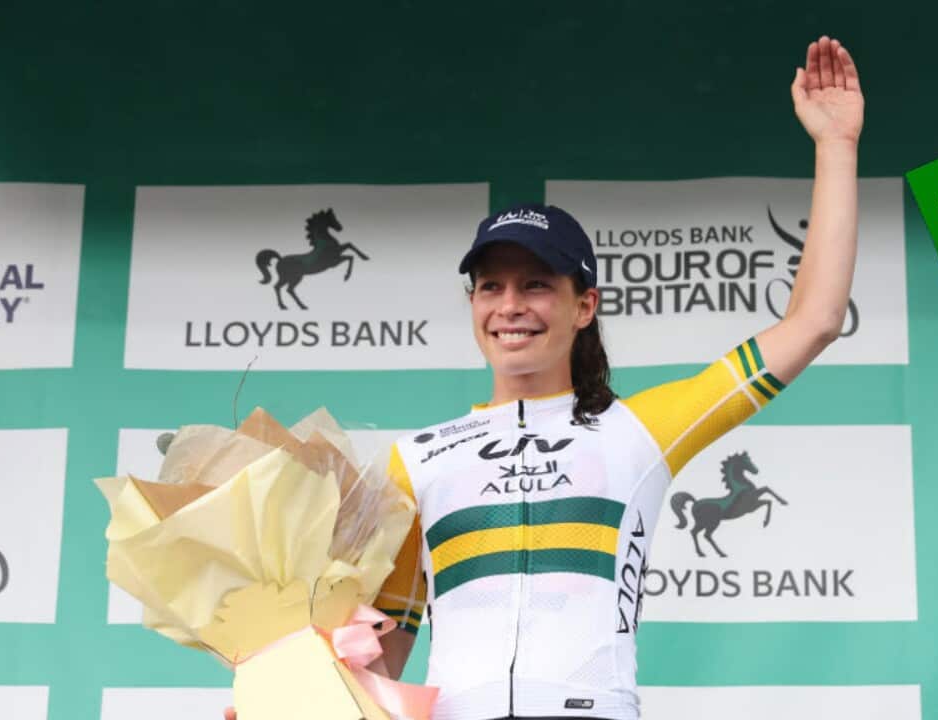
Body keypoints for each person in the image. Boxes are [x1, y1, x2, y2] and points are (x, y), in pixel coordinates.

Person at [227, 34, 862, 720]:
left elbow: (815, 321)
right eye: (490, 286)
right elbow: (387, 656)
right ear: (473, 303)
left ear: (583, 306)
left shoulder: (640, 430)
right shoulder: (414, 461)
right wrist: (288, 702)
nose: (510, 306)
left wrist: (836, 145)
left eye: (535, 284)